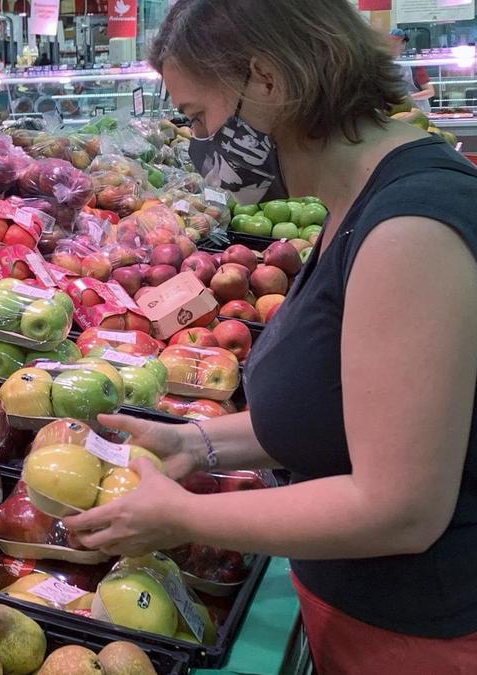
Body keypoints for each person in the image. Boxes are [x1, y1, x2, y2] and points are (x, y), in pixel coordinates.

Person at [61, 1, 477, 672]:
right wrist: (198, 442)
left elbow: (401, 506)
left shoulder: (411, 231)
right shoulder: (360, 199)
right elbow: (348, 408)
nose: (198, 145)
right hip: (365, 617)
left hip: (422, 641)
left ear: (267, 81)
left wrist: (185, 518)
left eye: (197, 116)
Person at [389, 28, 434, 114]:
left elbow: (430, 92)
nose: (392, 45)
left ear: (403, 44)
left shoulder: (414, 64)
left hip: (419, 112)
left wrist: (407, 98)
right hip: (397, 113)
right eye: (390, 42)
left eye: (395, 42)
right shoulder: (385, 64)